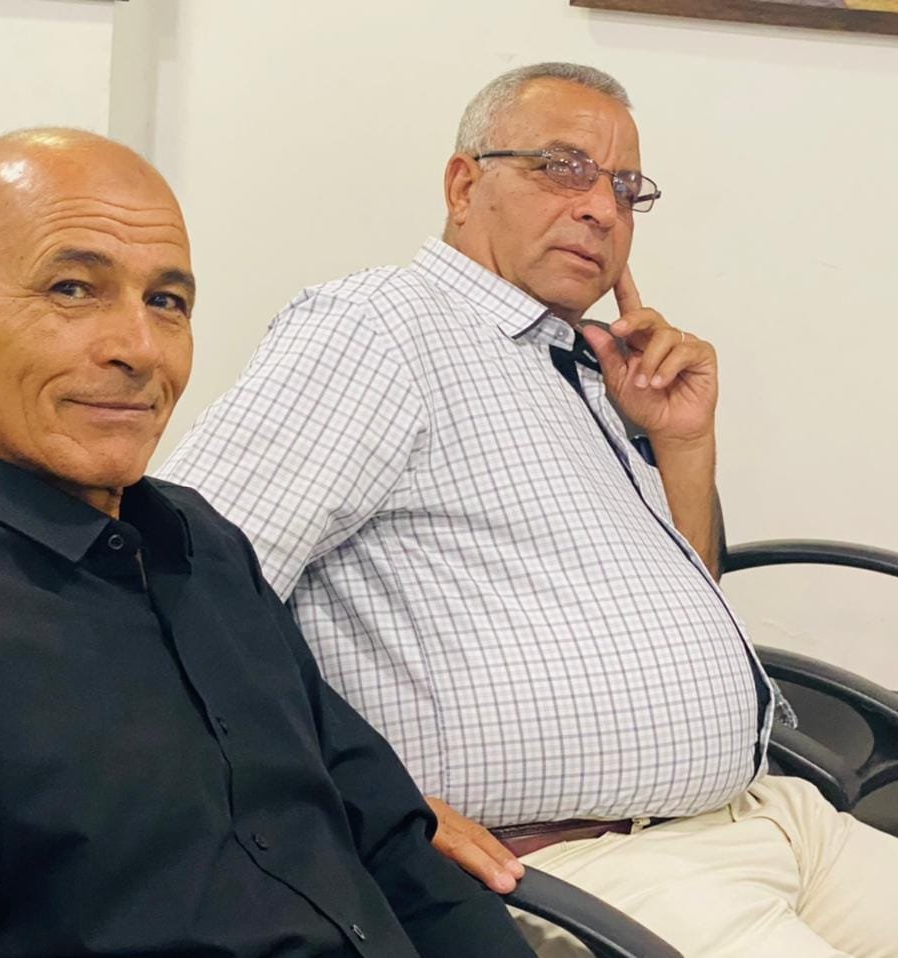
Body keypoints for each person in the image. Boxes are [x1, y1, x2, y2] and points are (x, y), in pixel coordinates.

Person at [0, 128, 531, 958]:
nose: (139, 349)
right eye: (73, 289)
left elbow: (388, 836)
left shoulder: (201, 545)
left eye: (167, 302)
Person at [159, 63, 898, 956]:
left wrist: (683, 442)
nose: (602, 210)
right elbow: (177, 585)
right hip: (579, 865)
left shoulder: (574, 363)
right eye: (564, 168)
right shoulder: (382, 325)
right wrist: (362, 797)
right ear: (463, 185)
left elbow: (689, 591)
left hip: (764, 815)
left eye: (625, 188)